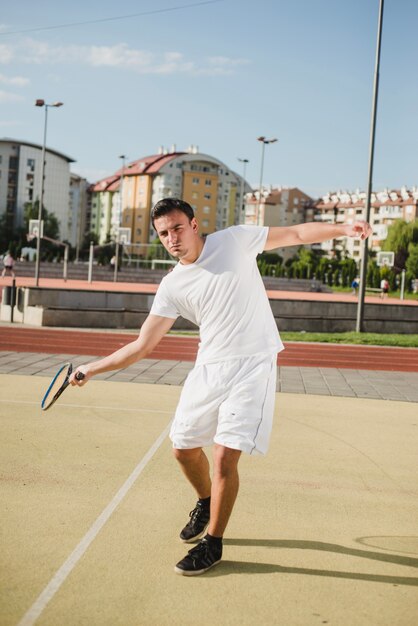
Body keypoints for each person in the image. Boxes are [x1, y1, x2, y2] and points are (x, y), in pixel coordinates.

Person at [70, 198, 372, 576]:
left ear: (194, 225)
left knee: (224, 456)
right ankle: (206, 500)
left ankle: (213, 543)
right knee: (182, 450)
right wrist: (91, 368)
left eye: (177, 228)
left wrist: (345, 229)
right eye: (163, 233)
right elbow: (143, 345)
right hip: (210, 367)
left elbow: (296, 232)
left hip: (254, 363)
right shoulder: (171, 285)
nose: (172, 238)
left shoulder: (234, 241)